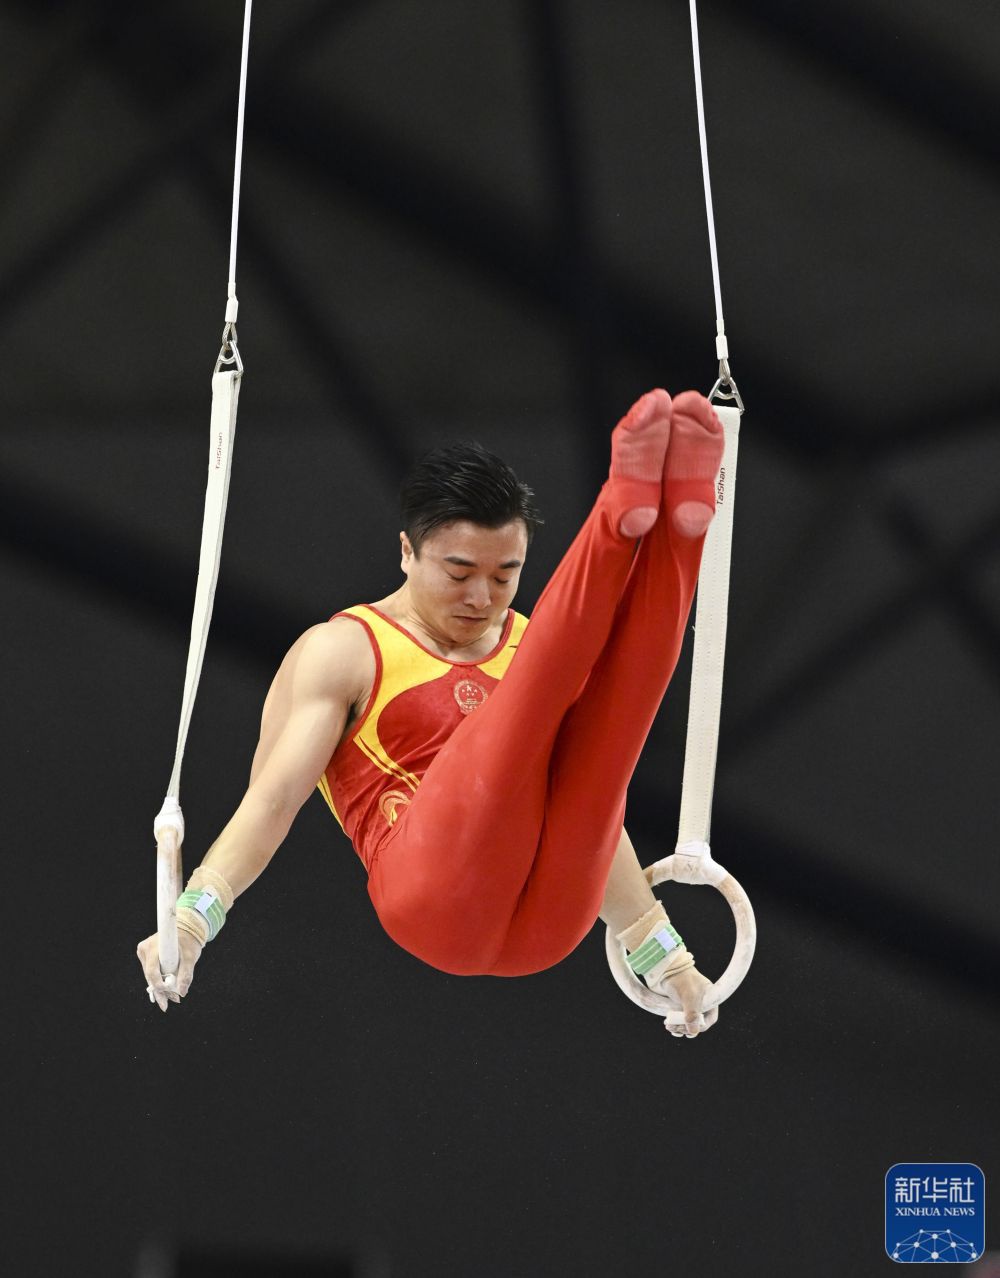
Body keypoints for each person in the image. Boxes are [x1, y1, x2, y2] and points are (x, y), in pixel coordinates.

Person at [137, 388, 726, 1037]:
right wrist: (192, 919)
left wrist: (667, 960)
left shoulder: (531, 641)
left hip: (550, 927)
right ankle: (620, 513)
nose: (482, 597)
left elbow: (590, 808)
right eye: (459, 571)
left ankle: (683, 526)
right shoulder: (344, 652)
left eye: (505, 575)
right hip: (432, 898)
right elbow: (273, 801)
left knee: (609, 739)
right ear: (407, 551)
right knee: (531, 701)